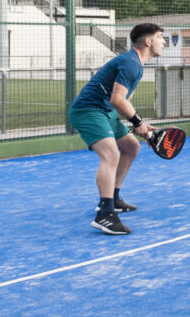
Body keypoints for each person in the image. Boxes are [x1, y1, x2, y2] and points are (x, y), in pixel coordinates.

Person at [69, 23, 164, 235]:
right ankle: (105, 214)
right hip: (88, 110)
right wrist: (138, 123)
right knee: (110, 154)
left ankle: (114, 197)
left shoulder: (136, 65)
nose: (164, 41)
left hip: (105, 111)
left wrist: (138, 123)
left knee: (131, 147)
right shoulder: (131, 63)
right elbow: (117, 99)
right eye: (160, 37)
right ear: (148, 42)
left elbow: (123, 102)